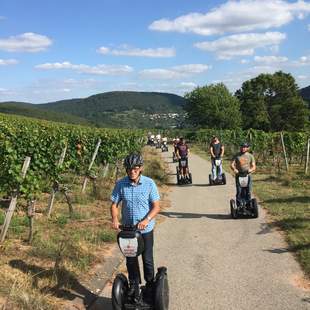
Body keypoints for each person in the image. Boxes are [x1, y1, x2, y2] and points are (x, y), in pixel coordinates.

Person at [110, 153, 161, 301]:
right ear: (126, 169)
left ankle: (150, 285)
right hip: (128, 230)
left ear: (140, 169)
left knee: (147, 259)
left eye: (136, 168)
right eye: (130, 169)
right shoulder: (121, 184)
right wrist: (114, 219)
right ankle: (134, 285)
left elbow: (156, 207)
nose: (132, 171)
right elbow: (114, 204)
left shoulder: (149, 183)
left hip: (145, 230)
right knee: (131, 260)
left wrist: (147, 220)